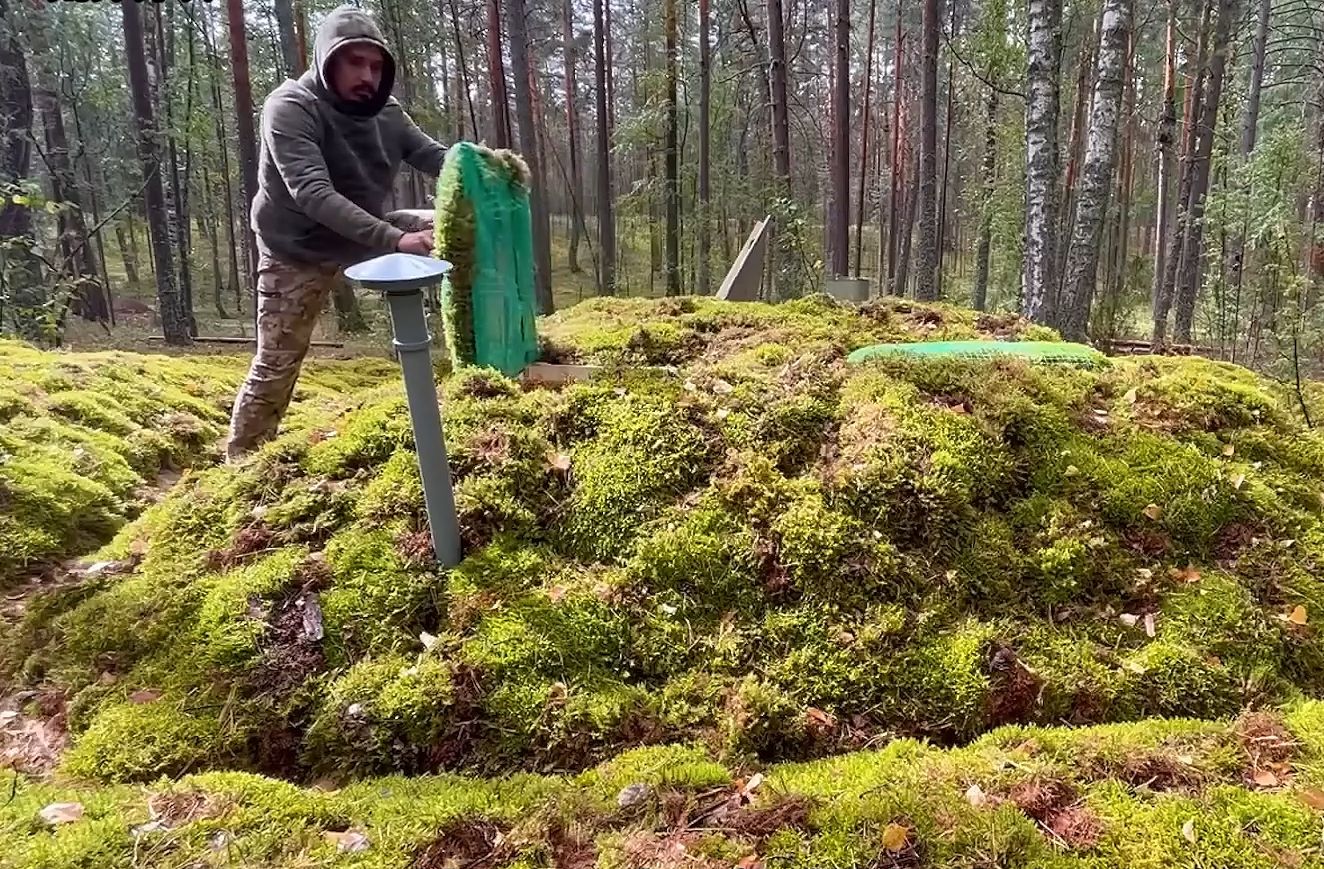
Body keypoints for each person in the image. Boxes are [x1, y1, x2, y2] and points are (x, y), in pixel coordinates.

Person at [226, 5, 446, 461]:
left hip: (364, 228)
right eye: (354, 62)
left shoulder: (386, 111)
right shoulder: (290, 107)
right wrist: (395, 239)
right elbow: (312, 193)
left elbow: (432, 155)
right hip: (298, 248)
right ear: (327, 59)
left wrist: (481, 164)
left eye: (376, 64)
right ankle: (240, 461)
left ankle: (478, 368)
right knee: (277, 363)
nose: (367, 75)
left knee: (452, 230)